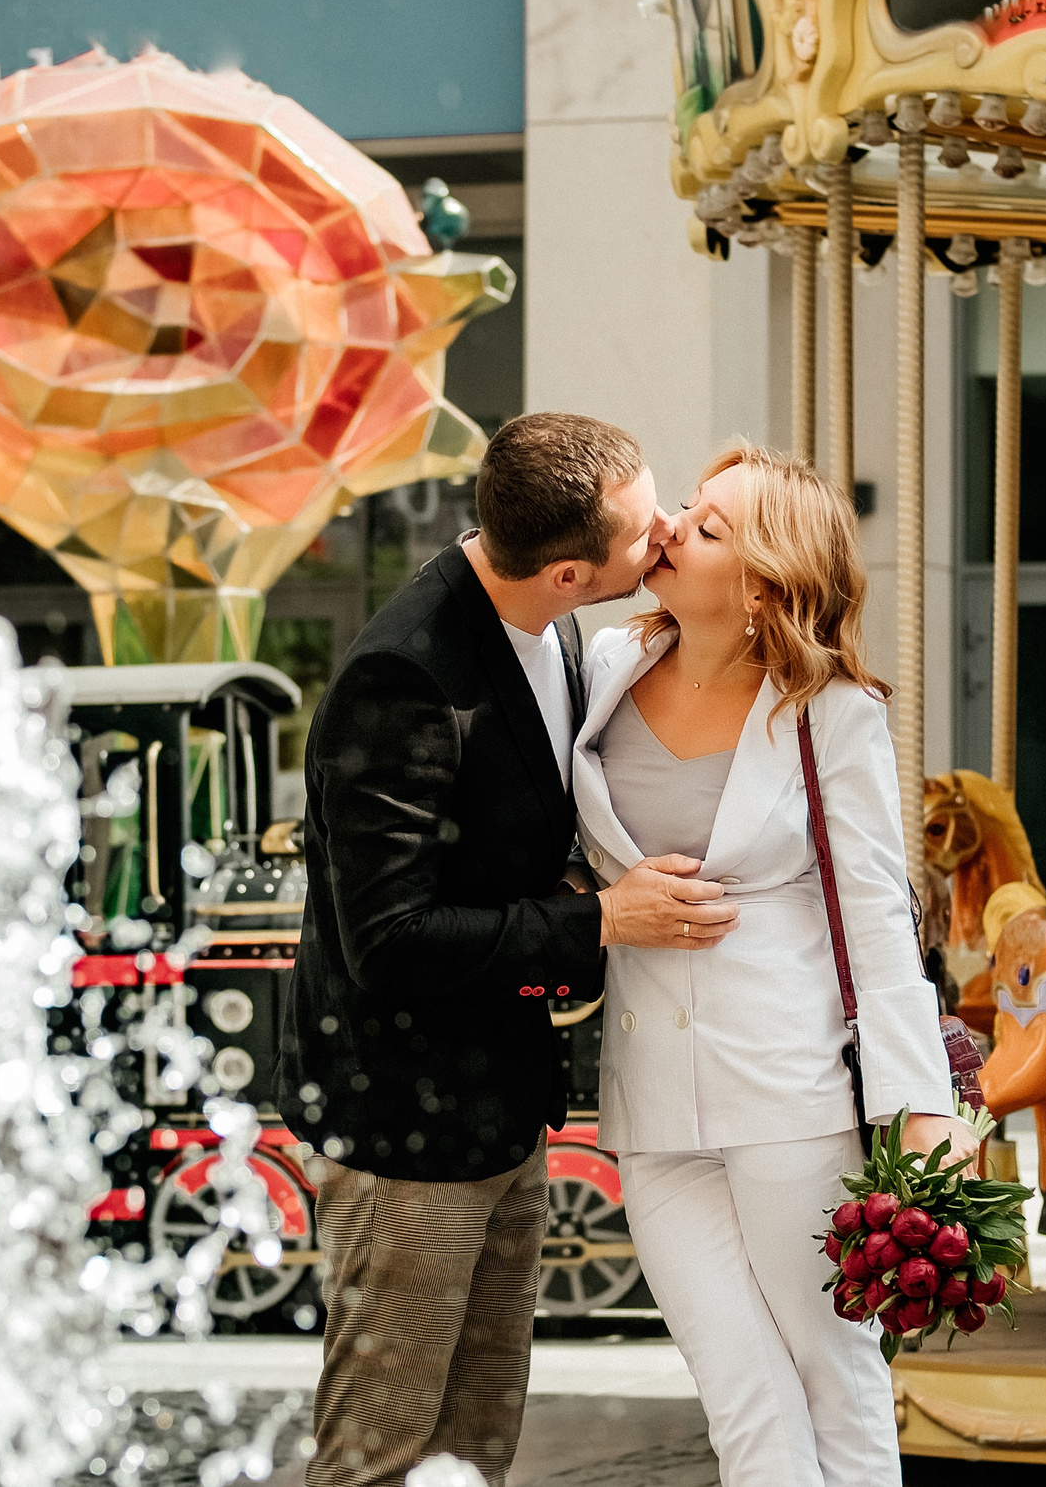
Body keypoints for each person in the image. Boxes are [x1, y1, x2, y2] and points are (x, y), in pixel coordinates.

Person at [279, 412, 738, 1487]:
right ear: (571, 571)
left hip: (497, 1102)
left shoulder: (557, 631)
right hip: (402, 1127)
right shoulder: (401, 677)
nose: (667, 531)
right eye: (643, 533)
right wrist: (600, 923)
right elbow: (388, 943)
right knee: (381, 1452)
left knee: (477, 1444)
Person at [569, 441, 971, 1487]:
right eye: (688, 509)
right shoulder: (605, 667)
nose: (669, 531)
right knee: (739, 1394)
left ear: (759, 587)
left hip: (790, 1092)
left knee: (832, 1373)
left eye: (705, 528)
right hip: (650, 1101)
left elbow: (879, 912)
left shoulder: (832, 713)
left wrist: (920, 1100)